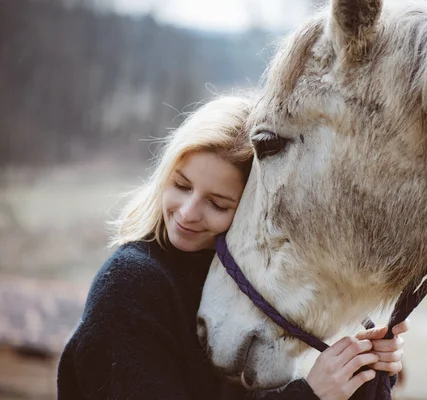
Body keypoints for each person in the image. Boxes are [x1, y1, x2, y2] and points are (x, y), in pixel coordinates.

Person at [56, 96, 408, 400]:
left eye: (218, 204)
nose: (189, 212)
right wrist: (310, 395)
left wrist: (362, 371)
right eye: (181, 185)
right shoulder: (131, 285)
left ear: (249, 216)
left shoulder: (246, 291)